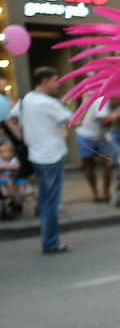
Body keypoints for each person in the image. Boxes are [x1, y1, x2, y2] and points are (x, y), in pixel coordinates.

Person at [7, 66, 73, 254]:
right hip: (52, 156)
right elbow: (74, 120)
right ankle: (50, 242)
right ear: (45, 82)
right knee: (51, 202)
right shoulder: (49, 103)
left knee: (45, 200)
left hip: (36, 155)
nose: (58, 84)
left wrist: (24, 139)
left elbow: (11, 120)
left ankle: (49, 239)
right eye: (55, 80)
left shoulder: (26, 99)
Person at [73, 95, 113, 202]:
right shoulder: (100, 100)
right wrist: (118, 116)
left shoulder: (116, 101)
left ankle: (106, 192)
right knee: (89, 165)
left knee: (107, 163)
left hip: (102, 137)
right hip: (85, 136)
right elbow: (104, 121)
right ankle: (95, 193)